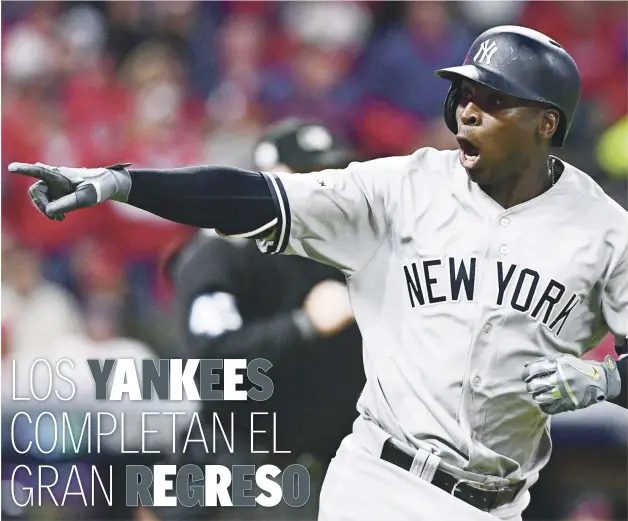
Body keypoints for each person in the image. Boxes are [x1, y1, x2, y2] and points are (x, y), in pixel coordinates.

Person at [9, 25, 628, 521]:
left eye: (491, 101)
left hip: (497, 501)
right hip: (377, 481)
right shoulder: (402, 188)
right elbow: (250, 196)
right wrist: (121, 182)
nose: (466, 112)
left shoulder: (605, 233)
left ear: (546, 124)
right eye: (462, 95)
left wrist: (604, 382)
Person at [157, 118, 364, 520]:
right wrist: (302, 326)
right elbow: (209, 367)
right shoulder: (223, 254)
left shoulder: (347, 253)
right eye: (309, 175)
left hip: (334, 475)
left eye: (331, 175)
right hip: (245, 477)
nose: (326, 188)